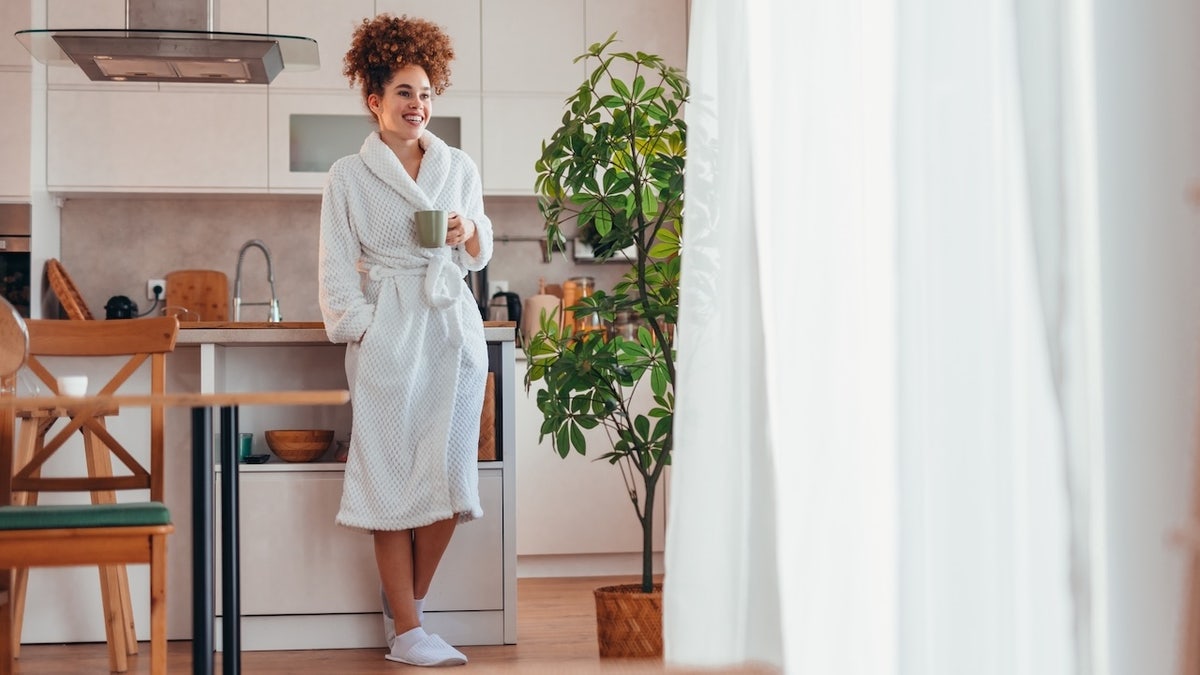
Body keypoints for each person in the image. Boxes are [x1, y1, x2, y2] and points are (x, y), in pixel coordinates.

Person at [318, 13, 493, 668]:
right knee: (389, 483)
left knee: (451, 477)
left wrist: (464, 230)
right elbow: (336, 270)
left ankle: (406, 617)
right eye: (403, 93)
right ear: (374, 100)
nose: (418, 105)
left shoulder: (457, 165)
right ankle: (410, 630)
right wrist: (367, 330)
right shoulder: (348, 176)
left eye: (425, 93)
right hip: (390, 336)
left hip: (449, 331)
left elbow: (479, 250)